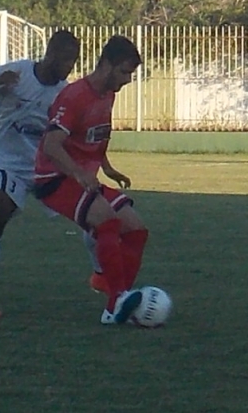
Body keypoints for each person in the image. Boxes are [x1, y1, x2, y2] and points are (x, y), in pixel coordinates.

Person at [0, 30, 102, 319]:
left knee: (93, 214)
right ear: (49, 54)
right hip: (8, 165)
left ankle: (101, 275)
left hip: (47, 169)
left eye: (73, 61)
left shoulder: (66, 93)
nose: (69, 67)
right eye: (65, 59)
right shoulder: (16, 73)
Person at [33, 35, 148, 325]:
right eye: (124, 72)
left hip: (82, 179)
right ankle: (117, 301)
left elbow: (96, 135)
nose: (127, 80)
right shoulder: (74, 96)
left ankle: (120, 300)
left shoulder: (108, 94)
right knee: (107, 222)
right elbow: (51, 146)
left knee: (136, 229)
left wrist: (106, 167)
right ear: (106, 64)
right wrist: (81, 173)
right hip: (54, 178)